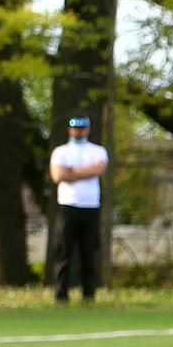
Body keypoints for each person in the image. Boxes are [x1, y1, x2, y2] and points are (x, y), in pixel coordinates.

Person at [49, 114, 108, 304]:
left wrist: (72, 171)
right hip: (68, 206)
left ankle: (89, 295)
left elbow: (98, 170)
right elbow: (58, 175)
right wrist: (85, 171)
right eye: (75, 127)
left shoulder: (98, 151)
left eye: (82, 128)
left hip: (90, 207)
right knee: (64, 252)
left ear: (88, 129)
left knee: (89, 253)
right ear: (69, 129)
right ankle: (61, 294)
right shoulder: (61, 152)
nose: (78, 131)